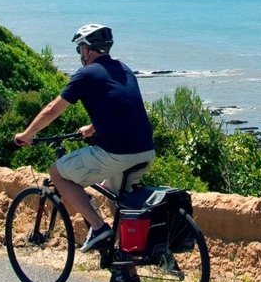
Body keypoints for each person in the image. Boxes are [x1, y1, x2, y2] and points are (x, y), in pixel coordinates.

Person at [14, 23, 156, 256]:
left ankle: (98, 228)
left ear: (88, 50)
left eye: (80, 48)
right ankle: (126, 264)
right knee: (117, 200)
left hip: (116, 153)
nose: (80, 54)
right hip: (145, 151)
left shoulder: (86, 74)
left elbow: (52, 110)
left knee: (57, 172)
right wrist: (92, 128)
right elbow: (121, 105)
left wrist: (27, 135)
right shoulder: (124, 69)